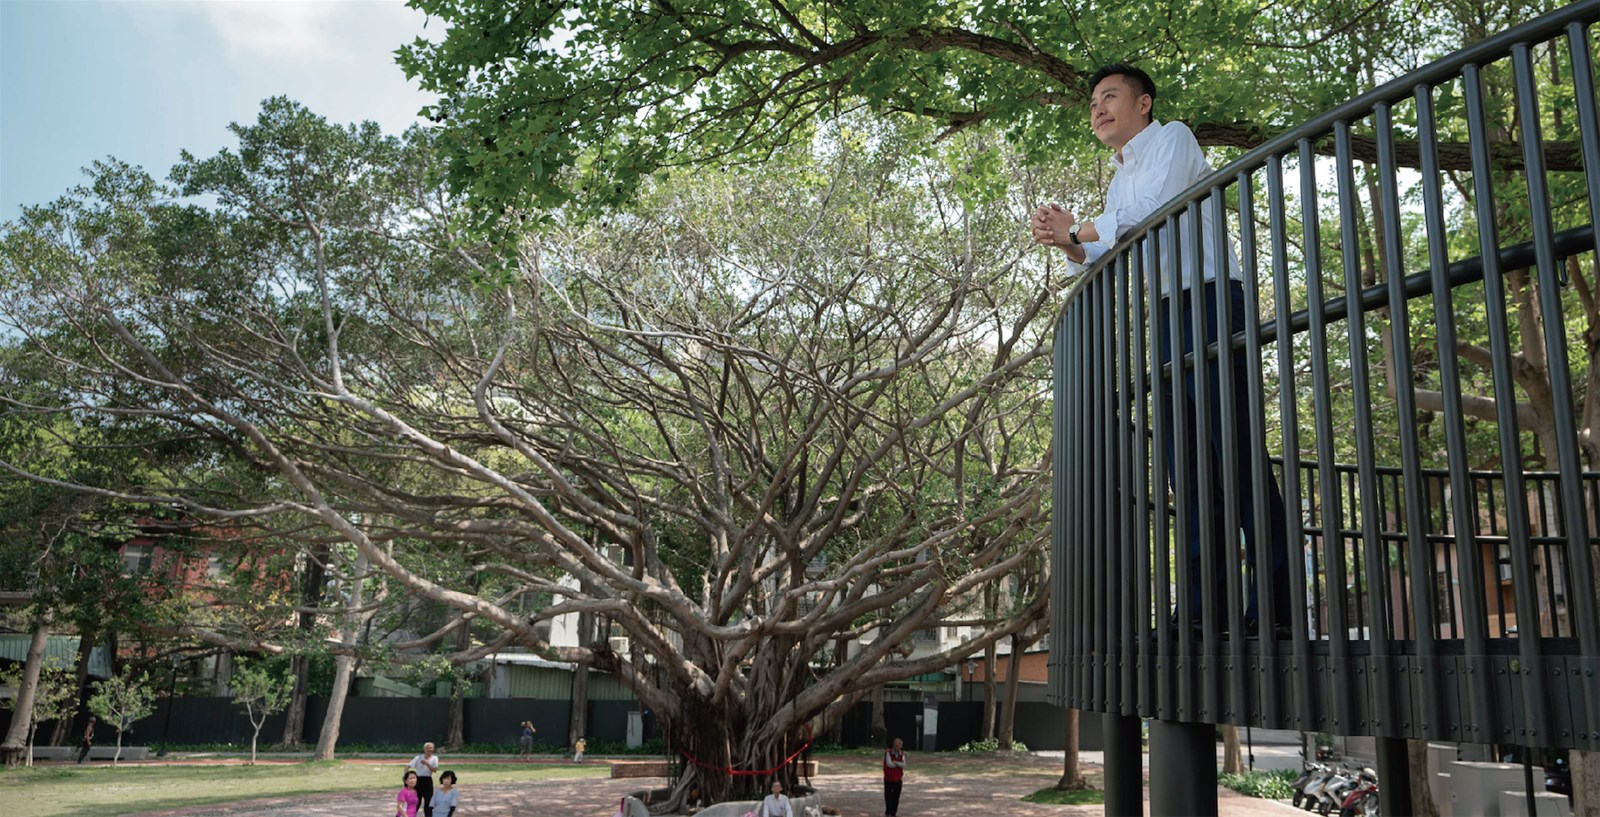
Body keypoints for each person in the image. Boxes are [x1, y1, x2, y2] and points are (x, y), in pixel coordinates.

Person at [1030, 63, 1292, 640]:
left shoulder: (1173, 137)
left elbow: (1145, 213)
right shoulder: (1116, 181)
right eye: (1093, 101)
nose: (1098, 108)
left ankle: (1277, 606)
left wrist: (1080, 231)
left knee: (1237, 452)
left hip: (1214, 302)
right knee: (1187, 467)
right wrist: (1066, 242)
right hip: (1169, 314)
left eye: (1110, 97)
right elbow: (1104, 255)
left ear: (1143, 103)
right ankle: (1202, 610)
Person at [407, 742, 442, 817]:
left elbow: (434, 770)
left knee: (428, 801)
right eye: (427, 748)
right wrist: (406, 776)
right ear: (424, 749)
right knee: (416, 801)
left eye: (430, 748)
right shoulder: (418, 757)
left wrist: (427, 764)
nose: (429, 750)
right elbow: (408, 766)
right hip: (418, 780)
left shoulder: (435, 758)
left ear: (433, 749)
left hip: (427, 780)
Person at [882, 737, 906, 817]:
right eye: (896, 743)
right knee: (888, 797)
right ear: (894, 744)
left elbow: (904, 765)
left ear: (901, 746)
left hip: (898, 779)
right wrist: (899, 764)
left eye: (899, 744)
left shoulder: (902, 754)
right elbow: (889, 764)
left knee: (896, 798)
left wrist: (896, 762)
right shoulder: (888, 752)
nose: (897, 745)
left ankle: (893, 813)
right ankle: (888, 812)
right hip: (888, 779)